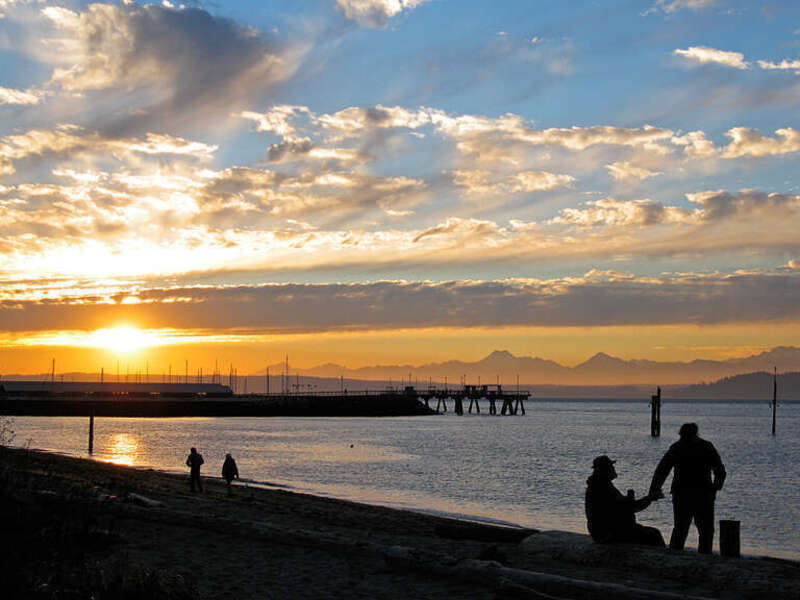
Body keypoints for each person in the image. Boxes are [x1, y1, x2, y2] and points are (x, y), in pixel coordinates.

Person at [649, 423, 726, 554]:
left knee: (681, 527)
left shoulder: (677, 447)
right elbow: (720, 471)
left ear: (681, 434)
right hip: (702, 493)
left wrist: (654, 489)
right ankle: (704, 554)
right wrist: (715, 487)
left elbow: (662, 470)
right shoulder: (706, 447)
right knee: (705, 529)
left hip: (682, 493)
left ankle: (675, 552)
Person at [585, 455, 665, 546]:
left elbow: (622, 507)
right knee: (654, 534)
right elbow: (629, 508)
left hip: (603, 530)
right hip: (610, 532)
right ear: (605, 470)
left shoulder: (599, 485)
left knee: (650, 533)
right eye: (611, 467)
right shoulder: (603, 487)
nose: (614, 469)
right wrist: (650, 498)